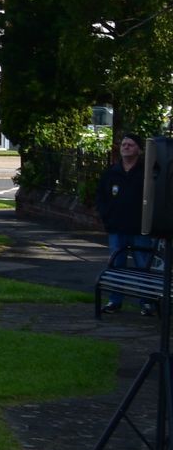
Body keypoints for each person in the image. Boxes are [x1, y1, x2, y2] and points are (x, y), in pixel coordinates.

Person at [97, 133, 152, 314]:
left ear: (139, 150)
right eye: (124, 144)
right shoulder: (112, 173)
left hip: (139, 229)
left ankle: (146, 302)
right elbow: (102, 198)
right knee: (116, 265)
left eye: (130, 145)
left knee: (143, 265)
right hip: (117, 228)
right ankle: (115, 301)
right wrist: (107, 217)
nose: (126, 147)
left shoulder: (146, 174)